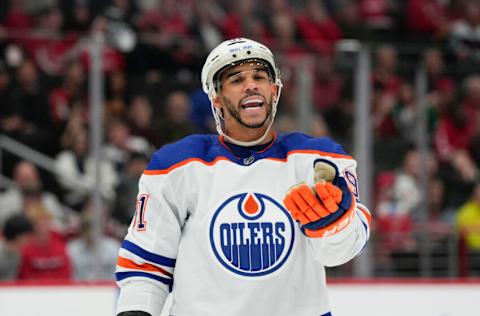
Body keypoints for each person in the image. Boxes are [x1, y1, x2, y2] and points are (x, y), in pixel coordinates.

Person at [115, 38, 371, 316]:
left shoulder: (318, 160)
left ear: (274, 91)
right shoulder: (176, 165)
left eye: (260, 77)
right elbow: (146, 262)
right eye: (237, 79)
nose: (251, 84)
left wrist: (335, 225)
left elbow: (340, 253)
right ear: (216, 97)